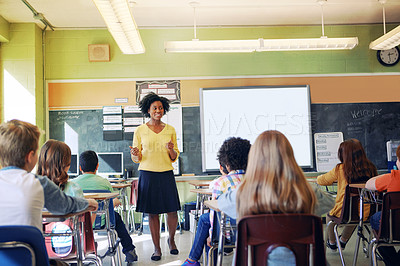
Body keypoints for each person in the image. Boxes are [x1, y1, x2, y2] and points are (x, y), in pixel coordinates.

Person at [0, 119, 98, 232]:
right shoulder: (39, 183)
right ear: (30, 156)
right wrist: (88, 202)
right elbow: (65, 206)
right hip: (29, 247)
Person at [235, 130, 316, 265]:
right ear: (290, 157)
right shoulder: (308, 191)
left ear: (254, 159)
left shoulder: (241, 194)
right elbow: (331, 203)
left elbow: (221, 203)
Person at [182, 137, 251, 266]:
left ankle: (193, 260)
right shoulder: (254, 180)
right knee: (206, 220)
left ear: (226, 163)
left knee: (205, 222)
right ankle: (192, 260)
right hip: (251, 232)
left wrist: (211, 235)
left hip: (228, 234)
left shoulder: (221, 182)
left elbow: (215, 213)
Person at [130, 92, 180, 261]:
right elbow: (137, 158)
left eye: (160, 108)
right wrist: (136, 154)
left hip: (166, 173)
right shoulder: (140, 130)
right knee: (153, 213)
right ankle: (157, 248)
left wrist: (171, 149)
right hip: (148, 174)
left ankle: (171, 241)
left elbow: (174, 156)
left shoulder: (170, 129)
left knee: (172, 210)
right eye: (154, 108)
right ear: (148, 110)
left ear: (164, 110)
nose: (158, 110)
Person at [72, 150, 138, 264]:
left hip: (80, 223)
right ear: (97, 166)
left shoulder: (73, 184)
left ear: (80, 168)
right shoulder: (104, 182)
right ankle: (129, 250)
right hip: (102, 222)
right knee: (116, 217)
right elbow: (113, 202)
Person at [317, 138, 377, 251]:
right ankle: (343, 240)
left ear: (343, 154)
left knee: (330, 216)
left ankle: (332, 243)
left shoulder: (340, 169)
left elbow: (322, 181)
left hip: (345, 211)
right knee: (356, 214)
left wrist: (318, 177)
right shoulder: (371, 168)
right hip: (368, 212)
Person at [37, 139, 85, 255]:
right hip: (67, 248)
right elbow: (83, 225)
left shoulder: (30, 188)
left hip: (37, 248)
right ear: (67, 164)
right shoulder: (74, 189)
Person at [365, 144, 400, 266]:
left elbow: (368, 184)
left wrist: (389, 174)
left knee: (376, 219)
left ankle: (394, 262)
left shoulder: (392, 178)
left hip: (394, 227)